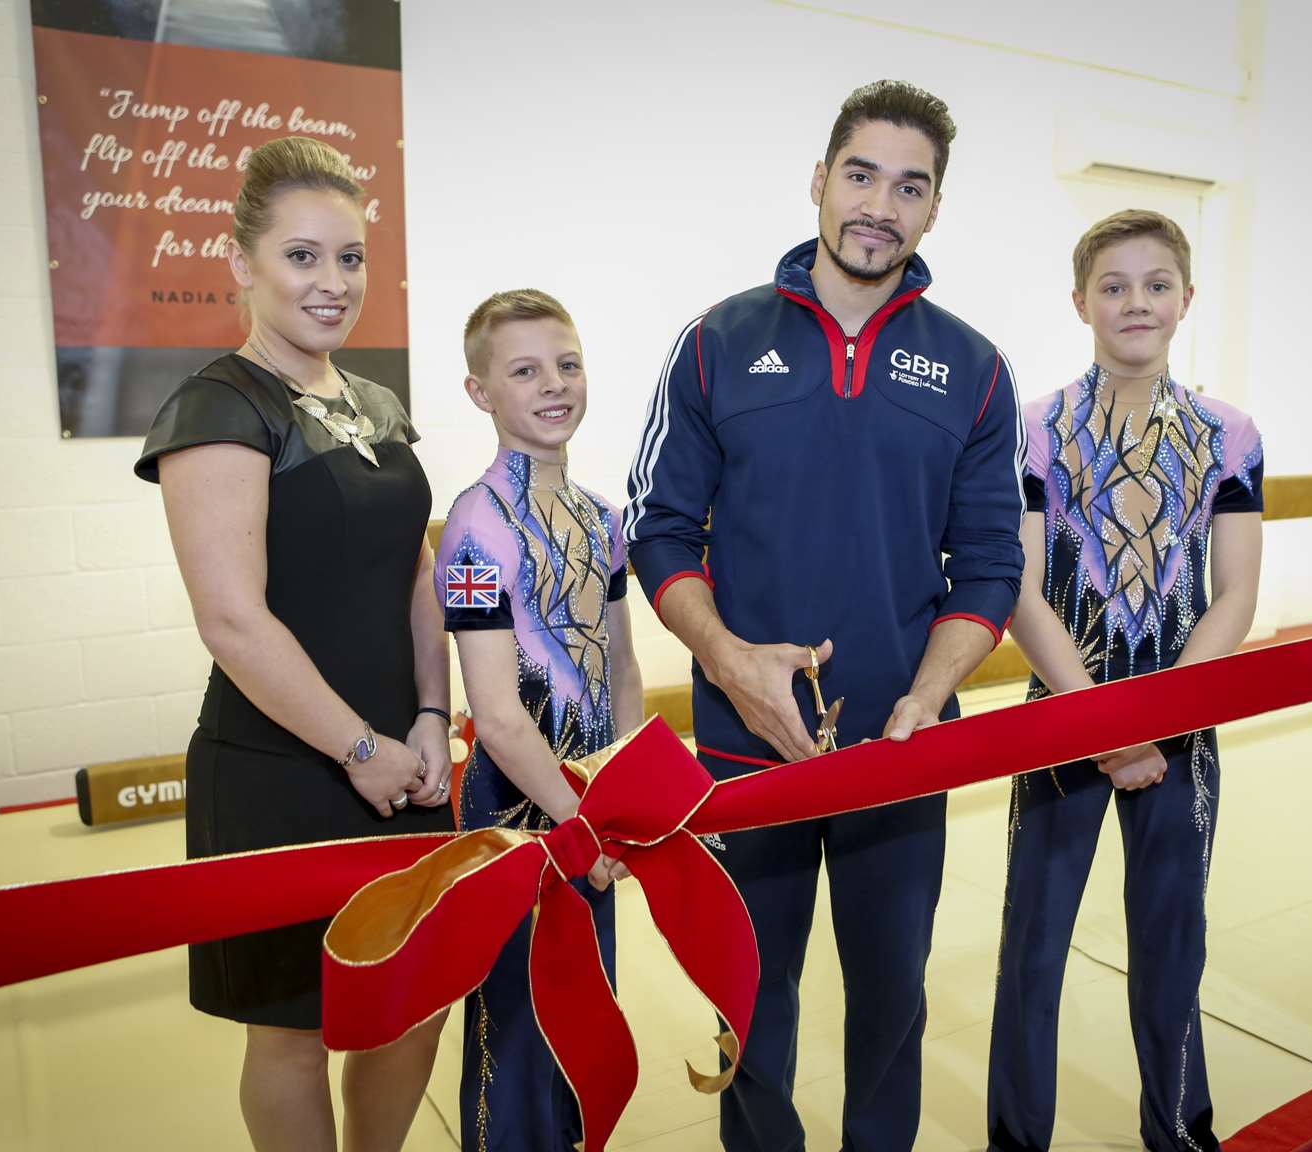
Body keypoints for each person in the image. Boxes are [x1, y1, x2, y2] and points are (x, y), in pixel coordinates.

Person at [625, 80, 1025, 1152]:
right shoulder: (715, 342)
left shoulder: (975, 370)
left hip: (900, 751)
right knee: (750, 996)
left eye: (910, 186)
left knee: (892, 1001)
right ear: (818, 180)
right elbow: (659, 530)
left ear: (933, 208)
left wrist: (926, 698)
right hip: (739, 745)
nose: (879, 206)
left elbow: (990, 562)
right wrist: (726, 658)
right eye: (861, 175)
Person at [134, 136, 454, 1152]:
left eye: (349, 257)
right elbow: (232, 618)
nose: (333, 281)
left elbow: (417, 572)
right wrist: (357, 751)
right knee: (293, 1030)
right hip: (283, 764)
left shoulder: (376, 406)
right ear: (242, 264)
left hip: (405, 761)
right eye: (303, 256)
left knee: (413, 1001)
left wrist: (431, 717)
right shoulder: (220, 405)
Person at [988, 209, 1265, 1152]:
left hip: (1181, 722)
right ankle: (1015, 1139)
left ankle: (1180, 1134)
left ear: (1186, 298)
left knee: (1170, 948)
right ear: (1080, 303)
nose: (1135, 302)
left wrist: (1161, 717)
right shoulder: (1032, 430)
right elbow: (1020, 589)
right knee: (1032, 949)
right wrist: (1101, 721)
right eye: (1113, 286)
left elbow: (1233, 593)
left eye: (1155, 284)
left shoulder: (1229, 434)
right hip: (1063, 710)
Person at [436, 289, 644, 1152]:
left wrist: (625, 793)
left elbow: (623, 667)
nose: (553, 384)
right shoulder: (474, 527)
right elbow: (494, 713)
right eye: (524, 370)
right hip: (518, 804)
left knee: (585, 1002)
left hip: (590, 797)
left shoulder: (604, 517)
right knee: (514, 1024)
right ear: (481, 391)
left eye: (567, 363)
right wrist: (578, 820)